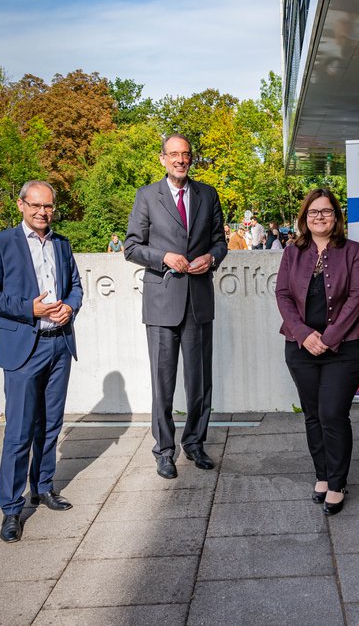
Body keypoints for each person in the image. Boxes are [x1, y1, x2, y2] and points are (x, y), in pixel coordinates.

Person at [0, 180, 83, 543]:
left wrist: (70, 306)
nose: (42, 212)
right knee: (19, 432)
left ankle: (44, 486)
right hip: (23, 349)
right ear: (20, 205)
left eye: (48, 206)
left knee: (51, 425)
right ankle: (11, 508)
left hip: (59, 345)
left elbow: (76, 286)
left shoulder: (62, 244)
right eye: (35, 205)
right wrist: (28, 309)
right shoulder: (0, 243)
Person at [124, 134, 228, 479]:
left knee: (199, 381)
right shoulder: (146, 196)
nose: (180, 160)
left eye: (185, 154)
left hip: (198, 301)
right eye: (174, 154)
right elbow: (131, 248)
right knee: (162, 382)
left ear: (190, 159)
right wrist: (164, 257)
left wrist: (211, 259)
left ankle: (195, 443)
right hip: (161, 301)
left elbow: (220, 242)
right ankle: (164, 451)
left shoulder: (207, 194)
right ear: (162, 159)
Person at [275, 188, 359, 516]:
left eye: (326, 211)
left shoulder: (354, 251)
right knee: (313, 414)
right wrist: (303, 334)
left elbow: (357, 298)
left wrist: (327, 338)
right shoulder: (291, 253)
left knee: (332, 414)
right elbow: (283, 295)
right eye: (313, 212)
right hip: (300, 348)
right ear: (304, 218)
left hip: (345, 349)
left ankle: (338, 481)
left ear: (336, 217)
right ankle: (322, 473)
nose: (319, 217)